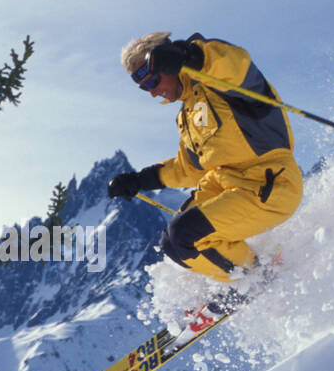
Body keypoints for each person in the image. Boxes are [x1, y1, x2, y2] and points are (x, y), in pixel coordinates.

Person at [108, 32, 303, 291]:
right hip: (226, 185)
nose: (154, 92)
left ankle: (256, 277)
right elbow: (188, 169)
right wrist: (138, 180)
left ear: (167, 64)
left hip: (268, 184)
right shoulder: (188, 114)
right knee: (170, 242)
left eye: (153, 80)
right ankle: (238, 276)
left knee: (184, 236)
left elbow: (238, 65)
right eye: (144, 87)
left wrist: (190, 56)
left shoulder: (219, 83)